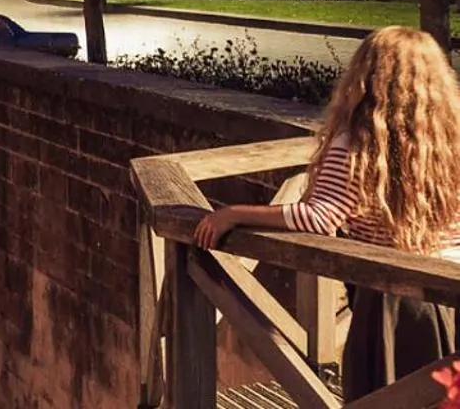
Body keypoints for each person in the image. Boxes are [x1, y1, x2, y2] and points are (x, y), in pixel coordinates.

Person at [194, 26, 460, 397]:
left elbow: (318, 217)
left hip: (390, 303)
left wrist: (233, 214)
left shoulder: (358, 145)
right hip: (448, 294)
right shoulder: (450, 143)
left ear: (366, 77)